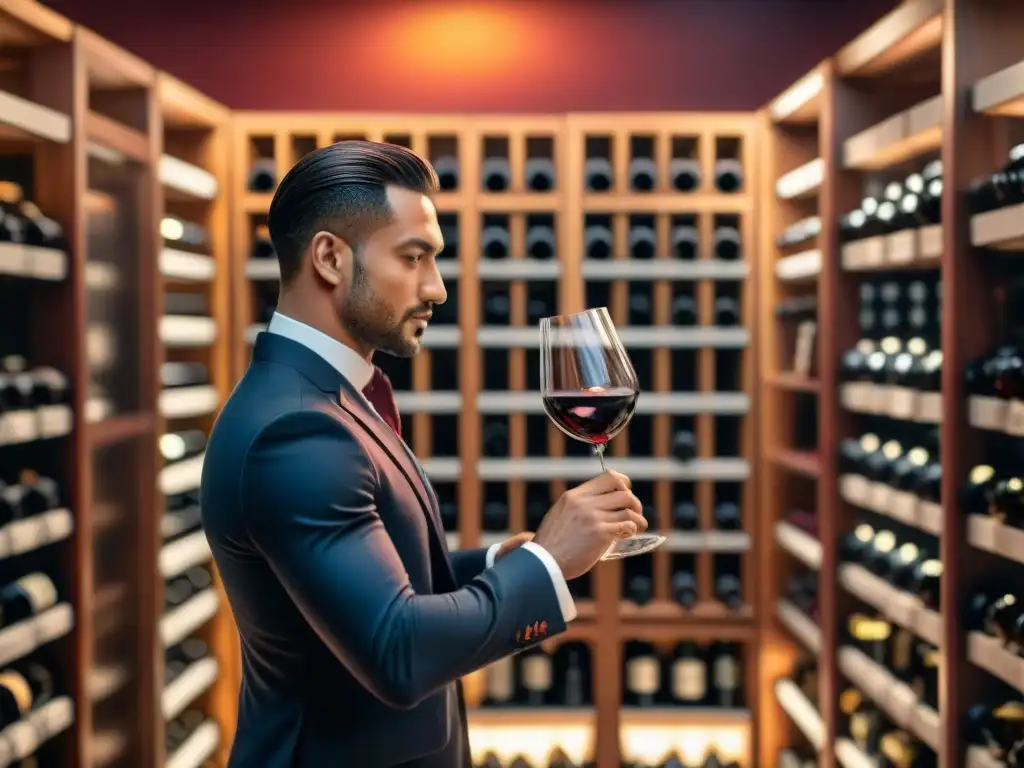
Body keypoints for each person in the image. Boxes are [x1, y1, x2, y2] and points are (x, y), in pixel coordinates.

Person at [200, 140, 647, 768]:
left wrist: (498, 560)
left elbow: (382, 580)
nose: (436, 288)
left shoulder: (331, 396)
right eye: (414, 258)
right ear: (330, 257)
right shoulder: (296, 430)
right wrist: (548, 562)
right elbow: (398, 651)